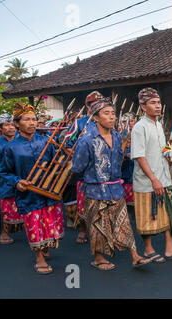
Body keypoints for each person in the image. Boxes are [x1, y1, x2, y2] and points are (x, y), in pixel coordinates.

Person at [71, 98, 151, 270]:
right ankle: (99, 258)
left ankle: (135, 255)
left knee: (123, 222)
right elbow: (77, 166)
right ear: (96, 118)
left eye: (113, 113)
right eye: (106, 113)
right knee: (97, 225)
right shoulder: (86, 140)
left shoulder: (116, 136)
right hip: (95, 190)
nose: (111, 117)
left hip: (116, 188)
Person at [0, 102, 64, 274]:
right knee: (34, 225)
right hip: (28, 194)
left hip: (48, 192)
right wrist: (17, 181)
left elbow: (56, 163)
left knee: (50, 225)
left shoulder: (46, 141)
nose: (32, 123)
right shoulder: (10, 147)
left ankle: (45, 246)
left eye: (34, 119)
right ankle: (39, 257)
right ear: (17, 123)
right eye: (27, 119)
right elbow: (4, 171)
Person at [131, 88, 172, 263]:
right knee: (147, 216)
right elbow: (140, 156)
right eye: (152, 103)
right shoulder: (139, 128)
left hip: (163, 177)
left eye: (158, 102)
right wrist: (154, 179)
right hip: (147, 180)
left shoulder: (158, 124)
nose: (157, 106)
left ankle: (170, 248)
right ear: (143, 107)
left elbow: (162, 151)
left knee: (167, 213)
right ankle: (148, 249)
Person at [67, 91, 104, 244]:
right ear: (86, 106)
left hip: (102, 172)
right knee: (83, 204)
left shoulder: (107, 122)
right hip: (84, 172)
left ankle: (101, 233)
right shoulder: (79, 123)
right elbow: (67, 145)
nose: (95, 105)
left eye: (99, 102)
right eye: (91, 103)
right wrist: (82, 157)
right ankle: (82, 230)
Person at [0, 113, 24, 244]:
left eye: (12, 124)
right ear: (1, 128)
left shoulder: (20, 140)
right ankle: (4, 233)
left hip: (20, 178)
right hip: (4, 182)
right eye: (6, 125)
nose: (11, 127)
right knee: (7, 210)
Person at [121, 112, 137, 207]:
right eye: (125, 122)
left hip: (136, 173)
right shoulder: (119, 136)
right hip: (124, 174)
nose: (129, 123)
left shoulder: (139, 134)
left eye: (131, 121)